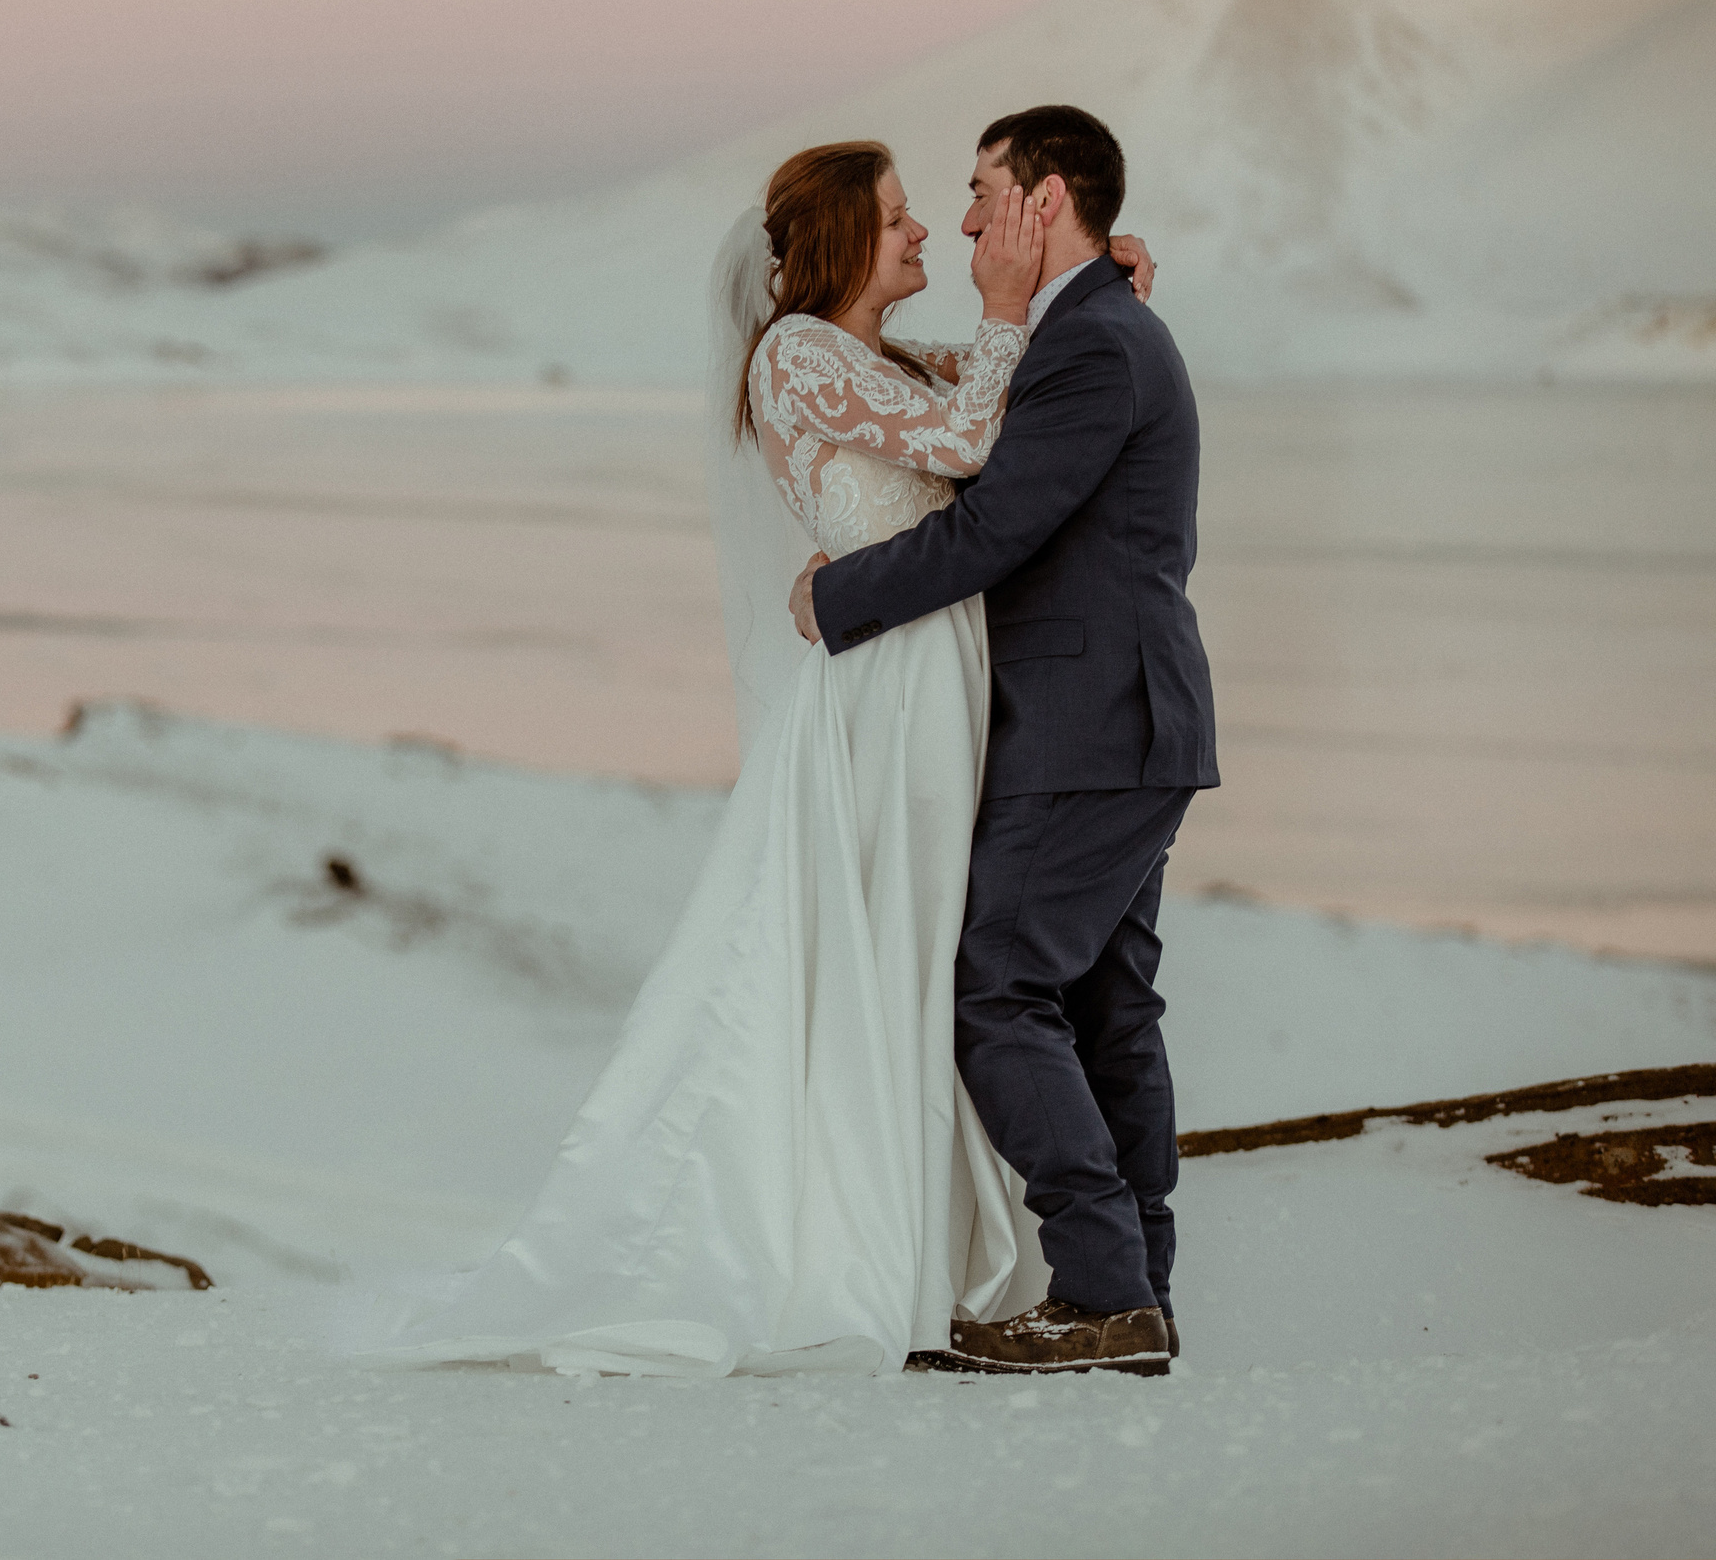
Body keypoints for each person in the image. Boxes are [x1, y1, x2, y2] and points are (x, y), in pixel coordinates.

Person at [357, 132, 1169, 1378]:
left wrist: (1086, 286)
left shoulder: (872, 357)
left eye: (932, 211)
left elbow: (999, 396)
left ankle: (1030, 1268)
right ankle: (879, 1250)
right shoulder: (797, 355)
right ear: (843, 237)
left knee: (930, 965)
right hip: (894, 691)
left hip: (940, 680)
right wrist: (1017, 300)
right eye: (900, 216)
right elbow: (963, 446)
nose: (927, 235)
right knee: (912, 961)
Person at [793, 105, 1217, 1375]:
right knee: (1104, 1009)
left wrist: (835, 598)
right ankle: (1130, 1291)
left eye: (984, 192)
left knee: (993, 988)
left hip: (1092, 725)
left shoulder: (1092, 344)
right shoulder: (1089, 325)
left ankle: (1103, 1291)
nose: (965, 219)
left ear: (1045, 202)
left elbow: (995, 533)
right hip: (1120, 722)